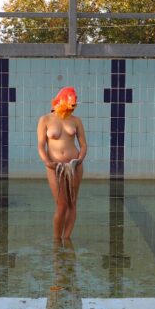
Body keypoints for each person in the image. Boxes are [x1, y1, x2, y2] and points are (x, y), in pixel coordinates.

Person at [37, 86, 87, 241]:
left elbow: (83, 144)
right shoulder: (45, 120)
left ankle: (67, 238)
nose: (73, 107)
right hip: (55, 167)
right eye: (71, 103)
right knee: (61, 205)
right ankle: (57, 240)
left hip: (75, 166)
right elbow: (41, 145)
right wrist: (47, 162)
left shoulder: (76, 120)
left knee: (72, 203)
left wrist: (79, 159)